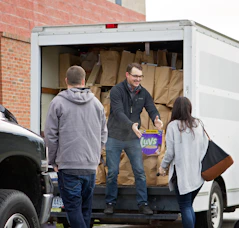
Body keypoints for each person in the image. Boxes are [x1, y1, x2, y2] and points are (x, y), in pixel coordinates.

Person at [44, 66, 108, 228]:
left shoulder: (57, 103)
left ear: (66, 81)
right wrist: (95, 154)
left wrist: (53, 161)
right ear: (83, 81)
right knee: (85, 208)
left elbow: (51, 135)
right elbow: (103, 134)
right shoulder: (97, 104)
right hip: (90, 166)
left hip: (68, 165)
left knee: (73, 208)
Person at [104, 63, 163, 215]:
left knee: (139, 171)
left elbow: (151, 108)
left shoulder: (143, 92)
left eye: (140, 76)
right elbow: (117, 112)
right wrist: (131, 125)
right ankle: (110, 202)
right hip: (115, 136)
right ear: (127, 75)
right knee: (112, 171)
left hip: (133, 138)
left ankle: (143, 203)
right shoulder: (117, 90)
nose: (138, 79)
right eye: (135, 76)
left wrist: (157, 118)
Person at [158, 96, 209, 228]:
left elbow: (170, 152)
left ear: (175, 110)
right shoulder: (198, 124)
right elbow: (205, 147)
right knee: (188, 205)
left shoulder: (173, 126)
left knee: (185, 206)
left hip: (181, 175)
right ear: (189, 108)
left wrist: (163, 167)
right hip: (198, 175)